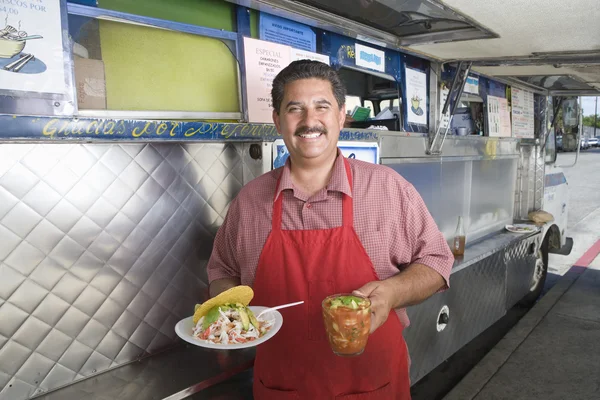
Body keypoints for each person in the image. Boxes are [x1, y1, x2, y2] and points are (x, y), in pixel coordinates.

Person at [207, 60, 454, 399]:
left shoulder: (388, 189)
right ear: (278, 121)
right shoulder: (250, 202)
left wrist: (392, 293)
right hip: (282, 386)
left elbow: (437, 262)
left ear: (341, 116)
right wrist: (230, 313)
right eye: (295, 109)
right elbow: (222, 270)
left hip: (372, 385)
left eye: (322, 107)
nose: (310, 121)